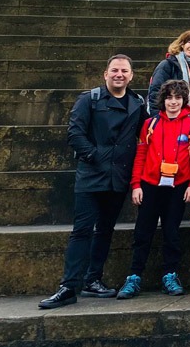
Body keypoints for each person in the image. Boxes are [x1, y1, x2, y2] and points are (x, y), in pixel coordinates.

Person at [39, 55, 147, 309]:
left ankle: (93, 279)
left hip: (118, 178)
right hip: (91, 174)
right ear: (105, 74)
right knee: (82, 230)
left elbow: (143, 137)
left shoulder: (137, 103)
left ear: (131, 76)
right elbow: (75, 133)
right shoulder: (89, 99)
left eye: (124, 71)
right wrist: (96, 156)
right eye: (115, 70)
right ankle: (68, 286)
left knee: (105, 231)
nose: (119, 74)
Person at [115, 80, 190, 299]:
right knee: (143, 232)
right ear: (163, 101)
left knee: (172, 233)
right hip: (150, 185)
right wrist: (136, 185)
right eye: (169, 98)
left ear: (184, 101)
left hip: (178, 186)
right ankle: (134, 276)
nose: (173, 103)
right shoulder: (150, 124)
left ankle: (170, 275)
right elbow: (141, 155)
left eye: (178, 98)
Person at [147, 30, 190, 117]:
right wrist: (156, 116)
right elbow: (155, 91)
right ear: (182, 44)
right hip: (171, 115)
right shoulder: (168, 64)